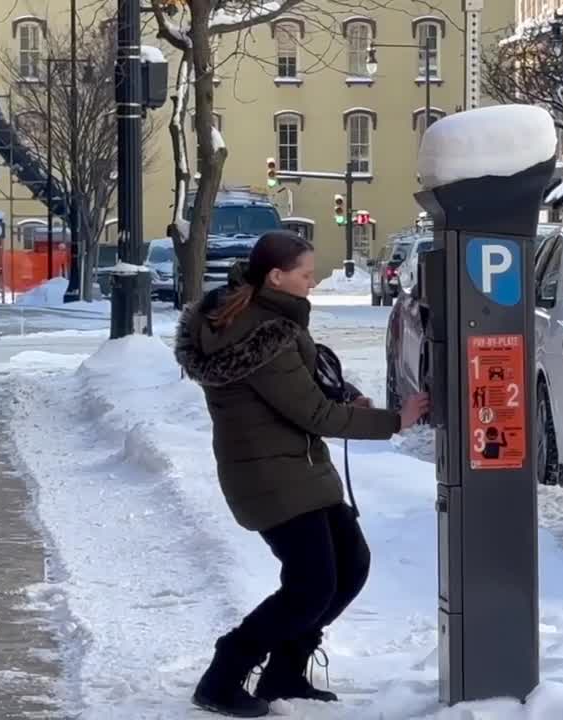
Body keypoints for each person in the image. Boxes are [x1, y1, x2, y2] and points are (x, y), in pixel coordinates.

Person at [174, 230, 429, 717]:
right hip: (272, 476)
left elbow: (305, 388)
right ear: (276, 276)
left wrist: (343, 394)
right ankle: (224, 674)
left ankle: (285, 670)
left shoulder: (267, 317)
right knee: (311, 586)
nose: (312, 283)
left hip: (295, 468)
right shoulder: (262, 334)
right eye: (306, 274)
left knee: (349, 566)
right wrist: (395, 421)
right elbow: (314, 413)